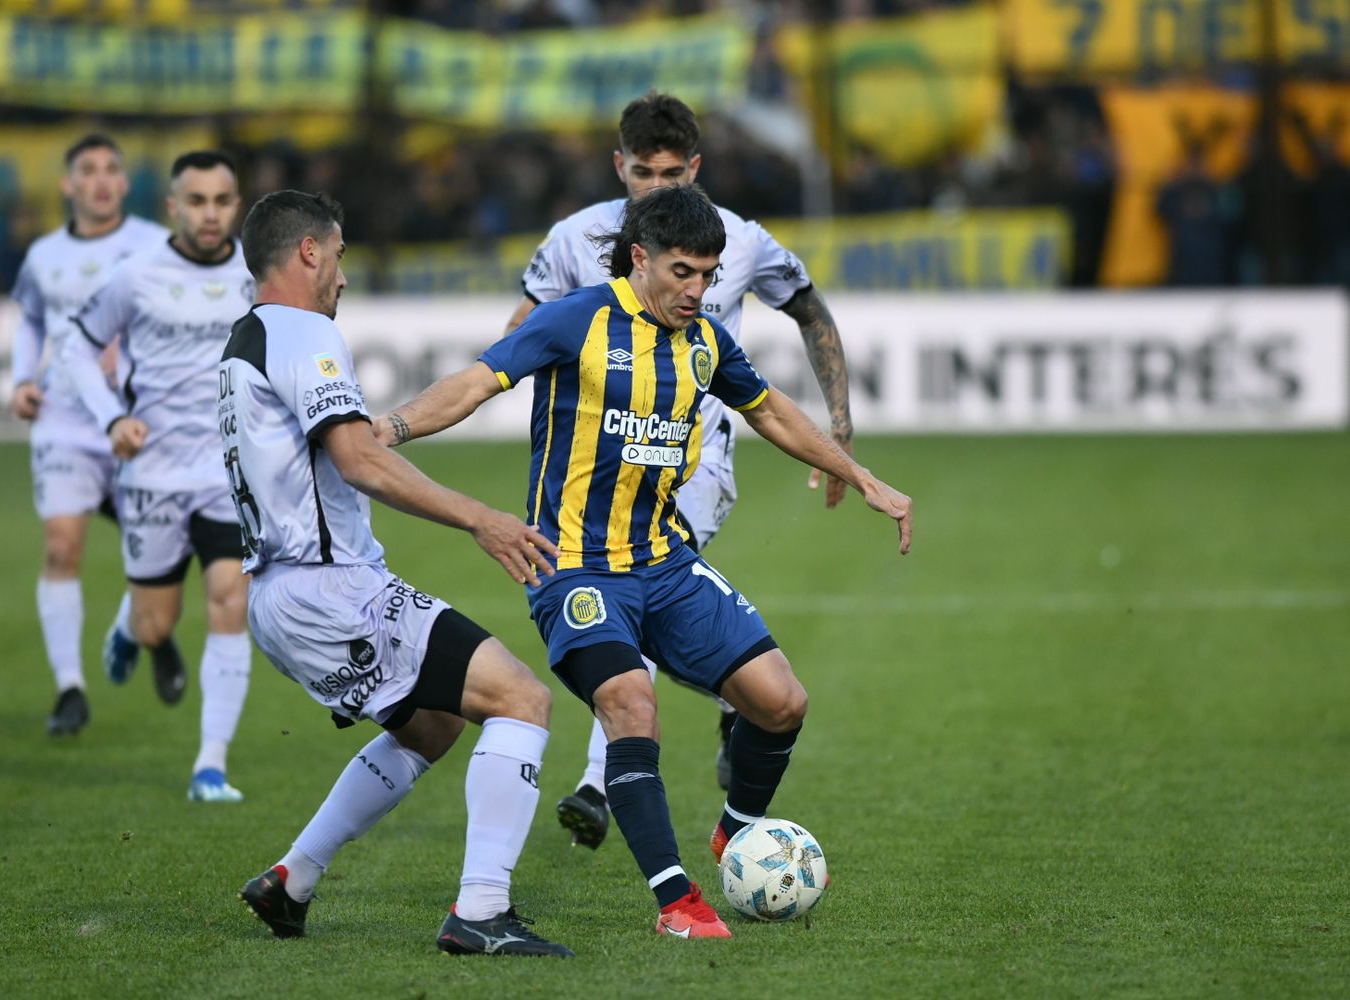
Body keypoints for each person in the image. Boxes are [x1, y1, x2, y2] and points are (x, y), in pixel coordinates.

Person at [377, 184, 912, 938]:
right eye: (683, 273)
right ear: (641, 259)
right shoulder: (579, 319)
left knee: (782, 701)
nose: (698, 291)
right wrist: (390, 429)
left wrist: (859, 475)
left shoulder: (705, 342)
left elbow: (769, 409)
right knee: (632, 705)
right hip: (574, 568)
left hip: (664, 561)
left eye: (709, 276)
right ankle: (677, 903)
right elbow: (476, 382)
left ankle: (736, 833)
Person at [223, 190, 572, 957]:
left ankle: (293, 878)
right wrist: (480, 517)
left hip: (281, 594)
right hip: (328, 587)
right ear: (308, 251)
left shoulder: (245, 339)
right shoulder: (302, 331)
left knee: (435, 723)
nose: (343, 277)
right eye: (339, 256)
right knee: (521, 699)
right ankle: (480, 911)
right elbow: (358, 460)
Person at [505, 91, 856, 848]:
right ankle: (731, 703)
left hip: (694, 464)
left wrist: (840, 420)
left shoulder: (739, 239)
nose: (657, 187)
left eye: (672, 172)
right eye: (643, 172)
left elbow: (809, 309)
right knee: (636, 587)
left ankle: (601, 782)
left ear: (695, 167)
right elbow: (521, 332)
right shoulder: (575, 239)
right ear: (618, 166)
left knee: (636, 572)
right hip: (600, 463)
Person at [60, 150, 255, 802]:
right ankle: (130, 624)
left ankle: (211, 765)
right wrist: (113, 417)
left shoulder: (258, 276)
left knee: (231, 600)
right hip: (152, 476)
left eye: (221, 201)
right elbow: (77, 348)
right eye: (195, 201)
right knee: (155, 626)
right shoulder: (136, 275)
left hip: (227, 475)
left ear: (237, 204)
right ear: (173, 207)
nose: (209, 214)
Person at [7, 133, 170, 735]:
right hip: (64, 422)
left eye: (110, 170)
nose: (100, 180)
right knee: (61, 547)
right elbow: (29, 319)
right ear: (67, 185)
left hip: (136, 419)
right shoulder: (43, 255)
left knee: (159, 548)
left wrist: (126, 350)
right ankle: (70, 689)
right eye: (88, 170)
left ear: (124, 184)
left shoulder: (154, 245)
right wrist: (24, 377)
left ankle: (138, 631)